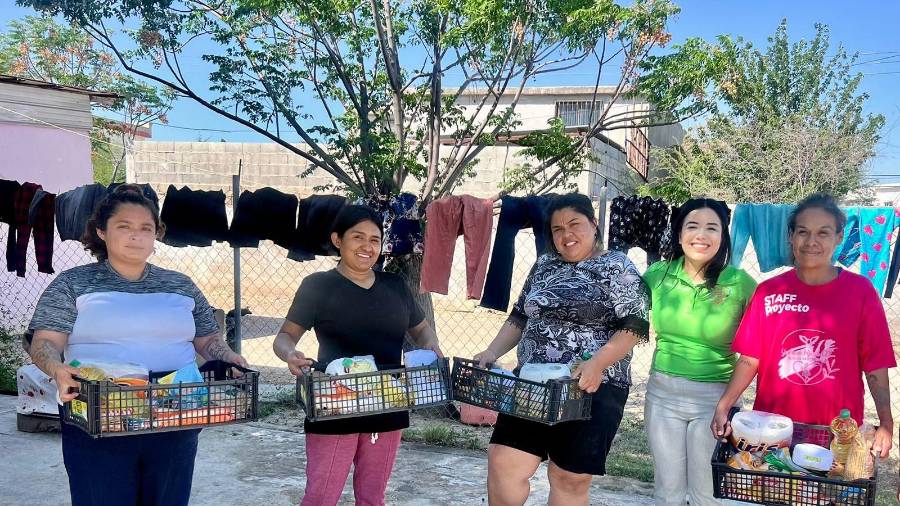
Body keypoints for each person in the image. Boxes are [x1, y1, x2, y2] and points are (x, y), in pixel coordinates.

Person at [28, 184, 248, 506]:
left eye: (146, 228)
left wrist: (230, 356)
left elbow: (207, 338)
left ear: (156, 235)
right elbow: (44, 342)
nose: (136, 235)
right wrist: (57, 369)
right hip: (99, 409)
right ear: (101, 232)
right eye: (124, 226)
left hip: (176, 408)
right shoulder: (72, 283)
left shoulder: (180, 285)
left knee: (167, 498)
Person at [473, 192, 650, 506]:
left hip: (593, 385)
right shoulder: (544, 265)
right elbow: (520, 315)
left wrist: (597, 362)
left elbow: (634, 327)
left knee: (569, 476)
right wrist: (491, 351)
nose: (566, 234)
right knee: (504, 461)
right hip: (533, 383)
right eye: (557, 229)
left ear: (594, 225)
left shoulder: (618, 267)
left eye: (575, 224)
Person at [273, 204, 443, 506]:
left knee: (372, 497)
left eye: (375, 240)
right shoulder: (318, 286)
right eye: (358, 237)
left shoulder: (396, 286)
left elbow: (422, 331)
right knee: (321, 497)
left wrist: (431, 348)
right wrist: (290, 354)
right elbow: (284, 337)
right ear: (338, 240)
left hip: (389, 403)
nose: (367, 247)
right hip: (334, 404)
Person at [712, 193, 895, 460]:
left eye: (823, 233)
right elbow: (749, 359)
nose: (811, 241)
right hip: (773, 431)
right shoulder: (768, 292)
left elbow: (875, 366)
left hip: (835, 432)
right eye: (803, 232)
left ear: (839, 238)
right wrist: (723, 405)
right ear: (790, 236)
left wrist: (886, 424)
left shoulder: (861, 292)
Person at [642, 199, 756, 506]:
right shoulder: (657, 276)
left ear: (723, 237)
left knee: (709, 492)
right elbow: (624, 322)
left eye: (711, 228)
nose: (700, 235)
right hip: (662, 394)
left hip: (715, 399)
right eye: (692, 226)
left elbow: (759, 348)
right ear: (679, 235)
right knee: (668, 491)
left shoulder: (742, 284)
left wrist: (728, 404)